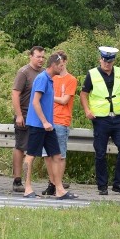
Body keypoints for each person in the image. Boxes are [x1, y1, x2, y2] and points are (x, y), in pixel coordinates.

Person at [80, 46, 120, 195]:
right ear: (100, 59)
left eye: (110, 61)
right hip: (100, 119)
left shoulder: (119, 72)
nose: (107, 64)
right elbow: (83, 94)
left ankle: (119, 183)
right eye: (105, 61)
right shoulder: (92, 74)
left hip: (118, 119)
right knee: (100, 153)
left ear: (113, 61)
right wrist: (87, 110)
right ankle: (102, 186)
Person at [22, 52, 76, 200]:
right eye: (60, 65)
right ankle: (27, 188)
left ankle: (59, 190)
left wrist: (48, 123)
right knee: (31, 156)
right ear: (53, 66)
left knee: (57, 155)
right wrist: (44, 121)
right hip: (38, 125)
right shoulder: (42, 79)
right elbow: (35, 102)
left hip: (49, 126)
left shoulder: (51, 80)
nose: (62, 67)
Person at [41, 50, 78, 196]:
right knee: (47, 155)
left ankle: (58, 185)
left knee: (60, 155)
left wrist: (50, 96)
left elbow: (64, 100)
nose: (60, 67)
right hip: (48, 119)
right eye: (58, 64)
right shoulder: (51, 78)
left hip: (62, 120)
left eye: (62, 64)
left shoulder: (71, 80)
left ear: (65, 62)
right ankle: (52, 182)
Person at [11, 46, 45, 193]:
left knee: (32, 149)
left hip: (37, 117)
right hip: (24, 115)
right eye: (38, 56)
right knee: (20, 146)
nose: (41, 60)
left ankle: (29, 180)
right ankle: (17, 180)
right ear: (30, 56)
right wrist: (18, 115)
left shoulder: (44, 73)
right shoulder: (24, 72)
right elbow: (15, 94)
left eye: (43, 57)